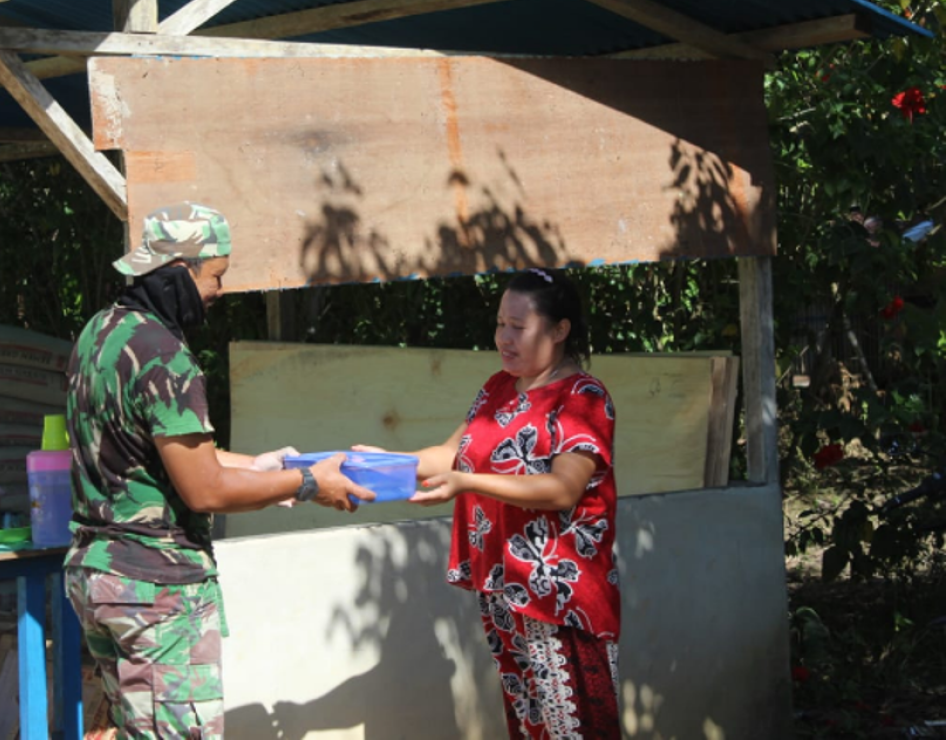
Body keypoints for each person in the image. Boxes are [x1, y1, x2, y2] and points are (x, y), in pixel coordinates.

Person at [64, 201, 374, 740]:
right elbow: (205, 488)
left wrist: (258, 468)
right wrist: (307, 482)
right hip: (155, 587)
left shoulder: (103, 332)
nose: (219, 291)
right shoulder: (164, 356)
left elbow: (163, 451)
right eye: (217, 277)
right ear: (181, 273)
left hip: (99, 576)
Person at [401, 268, 621, 738]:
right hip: (504, 586)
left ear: (560, 331)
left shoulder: (583, 397)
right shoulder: (499, 387)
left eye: (519, 327)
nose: (504, 337)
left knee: (576, 726)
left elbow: (563, 488)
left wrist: (467, 482)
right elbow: (450, 454)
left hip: (560, 595)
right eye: (501, 323)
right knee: (529, 723)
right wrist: (383, 464)